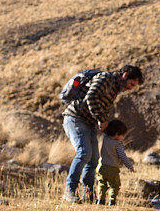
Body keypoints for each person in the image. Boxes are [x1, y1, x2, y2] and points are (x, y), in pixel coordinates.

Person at [61, 64, 143, 203]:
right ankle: (70, 191)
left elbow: (99, 104)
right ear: (124, 76)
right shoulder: (105, 78)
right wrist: (102, 119)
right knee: (84, 153)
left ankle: (88, 195)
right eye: (131, 83)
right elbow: (91, 97)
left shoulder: (114, 89)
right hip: (75, 118)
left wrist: (104, 123)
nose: (130, 88)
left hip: (89, 123)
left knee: (93, 160)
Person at [96, 119, 135, 205]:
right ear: (117, 134)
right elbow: (123, 157)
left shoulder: (105, 138)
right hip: (112, 168)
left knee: (102, 184)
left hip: (101, 166)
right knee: (114, 185)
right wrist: (129, 166)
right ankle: (112, 201)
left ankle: (100, 200)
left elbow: (103, 130)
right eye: (122, 135)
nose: (123, 137)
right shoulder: (118, 144)